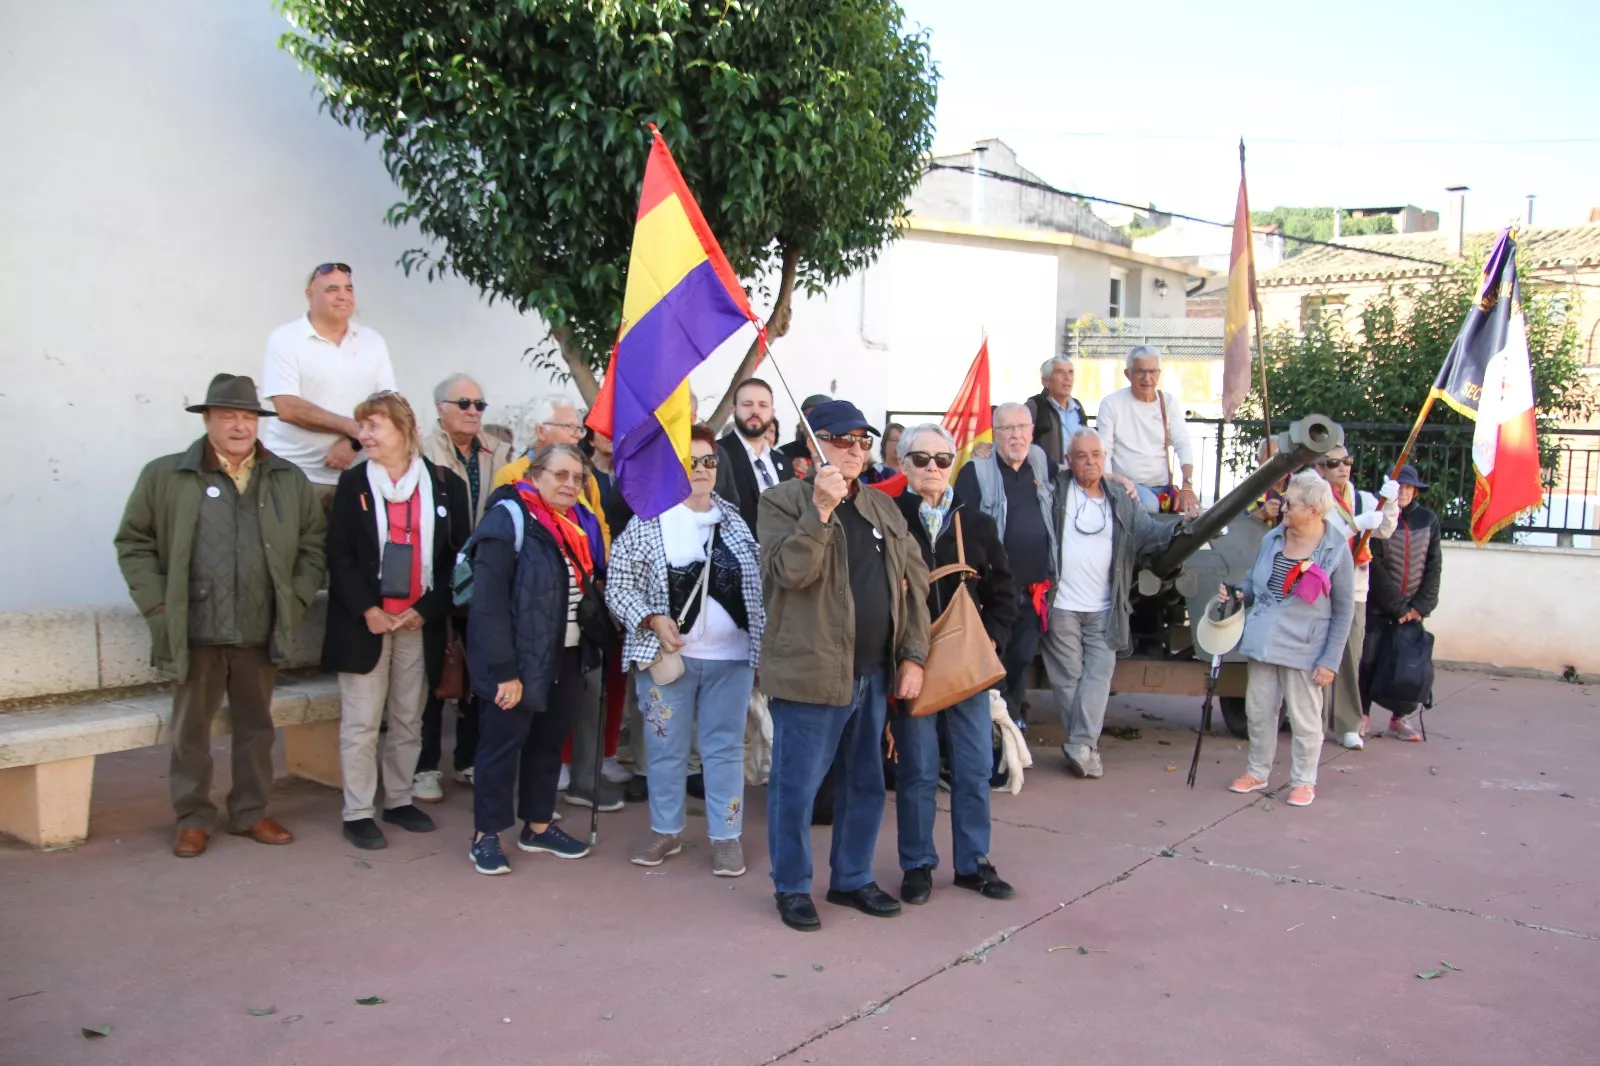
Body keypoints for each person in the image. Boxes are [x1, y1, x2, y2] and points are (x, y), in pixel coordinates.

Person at [114, 375, 326, 857]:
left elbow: (313, 546)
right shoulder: (166, 475)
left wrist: (292, 599)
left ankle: (250, 812)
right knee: (192, 730)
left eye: (248, 416)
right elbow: (134, 543)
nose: (238, 425)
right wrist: (159, 606)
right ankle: (192, 816)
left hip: (260, 627)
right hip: (194, 629)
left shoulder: (286, 479)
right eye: (228, 415)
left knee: (256, 728)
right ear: (207, 419)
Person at [758, 399, 931, 932]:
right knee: (797, 785)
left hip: (874, 671)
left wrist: (913, 654)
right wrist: (821, 511)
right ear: (814, 446)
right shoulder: (781, 501)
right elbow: (790, 573)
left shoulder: (883, 508)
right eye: (842, 439)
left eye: (864, 440)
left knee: (866, 782)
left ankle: (852, 877)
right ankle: (791, 886)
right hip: (811, 672)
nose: (855, 449)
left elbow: (916, 585)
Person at [606, 426, 765, 876]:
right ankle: (665, 830)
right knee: (664, 750)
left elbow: (758, 591)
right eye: (690, 462)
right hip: (665, 662)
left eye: (709, 461)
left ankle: (726, 837)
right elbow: (617, 585)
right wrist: (652, 619)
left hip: (730, 660)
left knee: (724, 751)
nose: (701, 470)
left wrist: (764, 651)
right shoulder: (648, 521)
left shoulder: (734, 521)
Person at [322, 392, 469, 850]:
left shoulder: (446, 485)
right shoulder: (353, 484)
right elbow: (339, 555)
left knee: (409, 718)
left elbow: (457, 561)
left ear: (405, 432)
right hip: (365, 621)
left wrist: (422, 611)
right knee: (362, 722)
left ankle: (400, 799)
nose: (363, 435)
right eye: (362, 426)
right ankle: (358, 810)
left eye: (373, 426)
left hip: (415, 623)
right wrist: (369, 609)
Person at [890, 424, 1018, 904]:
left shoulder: (978, 525)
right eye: (921, 459)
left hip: (965, 669)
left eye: (942, 460)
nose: (932, 469)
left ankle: (973, 862)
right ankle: (917, 864)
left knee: (973, 765)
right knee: (919, 770)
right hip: (912, 666)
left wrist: (992, 644)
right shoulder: (889, 519)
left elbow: (1006, 594)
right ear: (903, 465)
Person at [465, 443, 607, 874]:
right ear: (535, 473)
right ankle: (485, 835)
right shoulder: (508, 518)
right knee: (500, 746)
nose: (570, 484)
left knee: (547, 744)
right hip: (518, 661)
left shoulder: (573, 524)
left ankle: (538, 826)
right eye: (560, 475)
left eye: (578, 478)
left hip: (564, 654)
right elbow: (487, 604)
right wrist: (505, 671)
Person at [494, 395, 619, 807]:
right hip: (533, 622)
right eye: (569, 428)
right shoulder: (511, 478)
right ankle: (510, 808)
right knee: (525, 718)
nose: (578, 434)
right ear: (540, 432)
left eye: (578, 429)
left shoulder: (585, 480)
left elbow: (598, 528)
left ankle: (583, 782)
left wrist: (599, 575)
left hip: (582, 609)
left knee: (585, 695)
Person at [1041, 429, 1173, 779]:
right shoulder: (1054, 491)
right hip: (1061, 603)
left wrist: (1182, 528)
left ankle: (1080, 744)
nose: (1090, 461)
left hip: (1106, 606)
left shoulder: (1121, 497)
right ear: (1069, 461)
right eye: (1081, 455)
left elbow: (1150, 534)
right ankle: (1085, 747)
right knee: (1068, 678)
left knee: (1098, 676)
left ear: (1105, 458)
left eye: (1096, 455)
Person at [1224, 470, 1355, 808]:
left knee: (1305, 719)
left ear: (1313, 510)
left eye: (1290, 504)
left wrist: (1330, 661)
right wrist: (1239, 593)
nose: (1282, 508)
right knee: (1258, 711)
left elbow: (1344, 611)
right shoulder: (1273, 539)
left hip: (1305, 647)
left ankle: (1303, 781)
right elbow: (1256, 583)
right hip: (1264, 641)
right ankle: (1257, 771)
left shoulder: (1336, 549)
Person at [411, 374, 514, 802]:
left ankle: (468, 759)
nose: (474, 412)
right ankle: (425, 767)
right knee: (436, 673)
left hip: (485, 575)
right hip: (436, 573)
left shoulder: (499, 452)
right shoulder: (421, 451)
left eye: (479, 405)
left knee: (479, 669)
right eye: (464, 403)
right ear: (440, 408)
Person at [260, 264, 397, 510]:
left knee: (350, 549)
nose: (343, 296)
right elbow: (288, 408)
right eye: (332, 289)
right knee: (294, 549)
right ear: (309, 294)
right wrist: (352, 428)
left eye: (348, 289)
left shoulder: (373, 341)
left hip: (359, 474)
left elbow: (388, 406)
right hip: (295, 475)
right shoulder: (285, 339)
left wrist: (354, 443)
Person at [953, 401, 1055, 730]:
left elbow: (1079, 476)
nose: (1016, 435)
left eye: (1022, 427)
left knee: (1022, 658)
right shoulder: (976, 471)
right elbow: (963, 525)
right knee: (991, 659)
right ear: (995, 434)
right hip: (994, 590)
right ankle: (992, 729)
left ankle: (1010, 722)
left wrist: (1114, 476)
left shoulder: (1041, 464)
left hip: (1033, 588)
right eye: (1008, 428)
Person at [1313, 445, 1399, 750]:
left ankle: (1348, 723)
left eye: (1347, 461)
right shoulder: (1317, 496)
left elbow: (1385, 530)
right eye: (1333, 462)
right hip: (1321, 586)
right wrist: (1357, 524)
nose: (1342, 467)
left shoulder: (1362, 498)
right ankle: (1316, 723)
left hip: (1355, 588)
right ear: (1321, 467)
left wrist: (1391, 503)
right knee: (1319, 653)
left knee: (1350, 653)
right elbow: (1322, 533)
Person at [1361, 464, 1442, 742]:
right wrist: (1397, 606)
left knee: (1407, 665)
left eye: (1409, 487)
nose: (1405, 493)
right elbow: (1375, 565)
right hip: (1379, 607)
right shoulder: (1378, 517)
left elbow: (1434, 565)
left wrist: (1421, 606)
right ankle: (1362, 715)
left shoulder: (1428, 519)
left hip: (1413, 611)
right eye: (1400, 487)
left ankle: (1399, 719)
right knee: (1368, 662)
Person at [1094, 345, 1198, 516]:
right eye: (1140, 372)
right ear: (1128, 374)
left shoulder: (1168, 402)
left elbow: (1182, 443)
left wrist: (1187, 485)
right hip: (1127, 486)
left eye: (1152, 372)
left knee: (1194, 513)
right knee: (1150, 506)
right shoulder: (1112, 403)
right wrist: (1110, 484)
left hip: (1164, 488)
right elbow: (1105, 450)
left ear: (1159, 374)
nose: (1147, 378)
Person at [714, 377, 794, 533]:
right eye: (747, 404)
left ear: (772, 412)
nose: (755, 411)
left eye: (763, 405)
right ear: (733, 410)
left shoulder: (784, 463)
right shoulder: (717, 455)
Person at [1025, 357, 1087, 467]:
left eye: (1070, 372)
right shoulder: (1035, 406)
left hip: (1079, 475)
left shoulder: (1077, 407)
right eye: (1060, 372)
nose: (1067, 378)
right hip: (1050, 478)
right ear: (1045, 381)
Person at [777, 392, 833, 476]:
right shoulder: (784, 452)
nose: (816, 422)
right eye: (810, 416)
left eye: (823, 416)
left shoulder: (843, 449)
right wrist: (788, 469)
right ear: (801, 421)